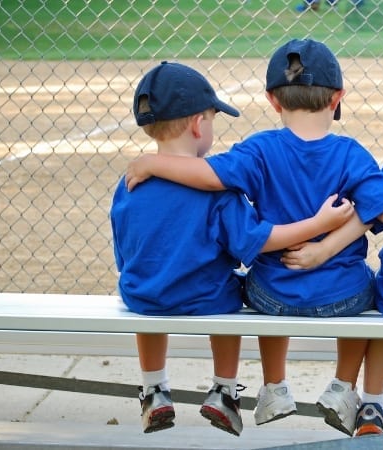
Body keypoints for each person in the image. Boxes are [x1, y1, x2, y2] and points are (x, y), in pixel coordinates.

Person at [123, 38, 383, 437]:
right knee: (372, 287)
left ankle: (275, 386)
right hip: (342, 298)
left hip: (271, 297)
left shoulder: (259, 149)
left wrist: (153, 161)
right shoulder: (350, 153)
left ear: (273, 100)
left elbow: (209, 176)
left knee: (258, 277)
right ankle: (343, 387)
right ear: (337, 98)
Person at [111, 61, 354, 436]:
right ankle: (224, 390)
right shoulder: (219, 192)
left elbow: (126, 254)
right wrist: (319, 226)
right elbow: (255, 242)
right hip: (205, 298)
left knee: (146, 288)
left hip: (143, 295)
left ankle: (154, 389)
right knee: (233, 289)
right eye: (211, 119)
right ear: (197, 125)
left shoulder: (129, 183)